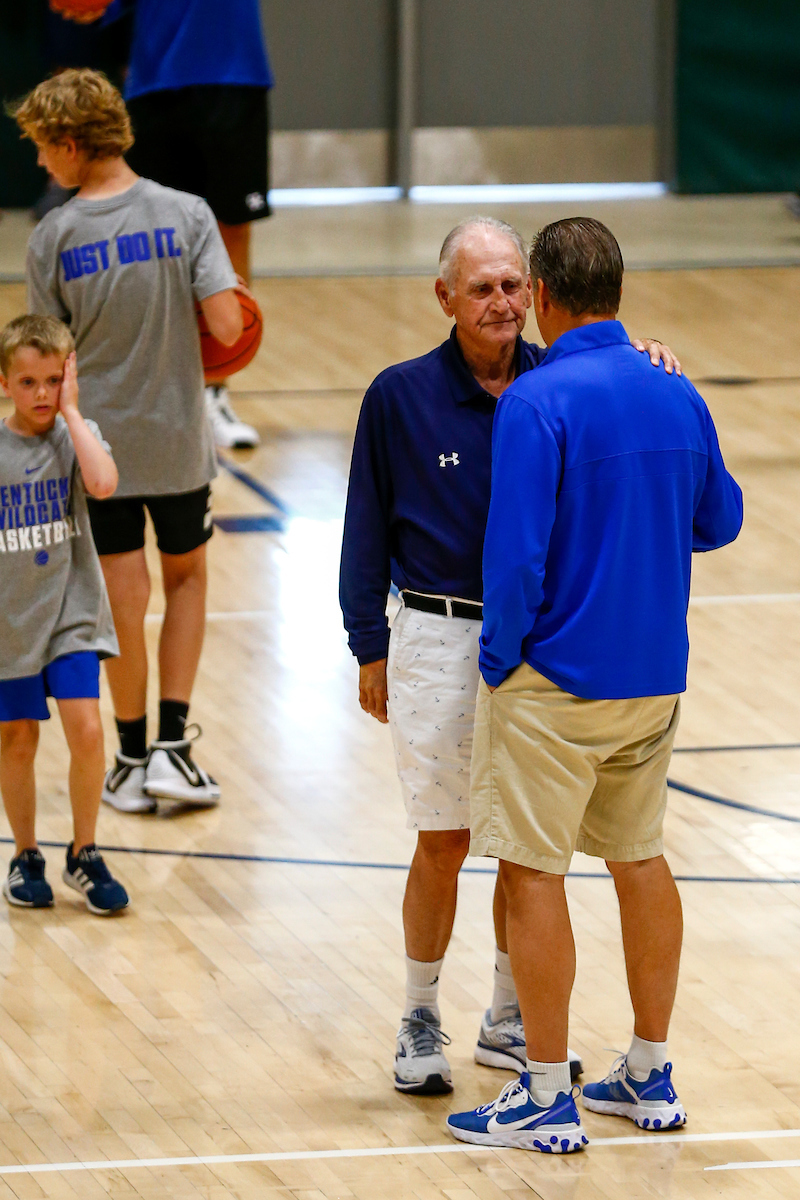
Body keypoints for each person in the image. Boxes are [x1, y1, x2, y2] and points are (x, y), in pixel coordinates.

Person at [339, 215, 682, 1096]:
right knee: (446, 840)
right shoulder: (399, 395)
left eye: (513, 285)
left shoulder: (558, 382)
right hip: (438, 638)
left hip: (537, 640)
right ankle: (420, 1012)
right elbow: (364, 531)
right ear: (444, 296)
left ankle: (505, 1013)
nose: (502, 302)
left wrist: (645, 364)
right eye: (482, 287)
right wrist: (368, 646)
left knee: (521, 848)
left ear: (537, 293)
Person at [447, 218, 743, 1152]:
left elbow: (517, 556)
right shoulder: (674, 388)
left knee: (534, 873)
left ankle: (543, 1091)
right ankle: (649, 1071)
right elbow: (720, 518)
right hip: (652, 678)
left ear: (542, 292)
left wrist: (500, 658)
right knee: (639, 860)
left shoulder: (538, 400)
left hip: (553, 682)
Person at [13, 68, 246, 813]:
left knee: (121, 597)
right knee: (185, 581)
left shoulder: (53, 236)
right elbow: (229, 328)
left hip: (96, 452)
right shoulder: (187, 214)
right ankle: (175, 750)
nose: (41, 164)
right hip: (178, 442)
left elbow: (43, 362)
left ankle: (129, 758)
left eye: (44, 150)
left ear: (72, 143)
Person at [55, 0, 274, 449]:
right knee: (149, 231)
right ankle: (151, 393)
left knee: (230, 225)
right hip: (155, 76)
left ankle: (214, 390)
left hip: (234, 67)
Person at [0, 314, 129, 914]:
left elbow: (103, 483)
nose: (43, 394)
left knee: (88, 729)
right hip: (10, 621)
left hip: (72, 613)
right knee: (18, 739)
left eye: (54, 379)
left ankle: (84, 851)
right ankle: (26, 853)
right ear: (5, 383)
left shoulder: (76, 434)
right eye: (28, 382)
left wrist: (75, 414)